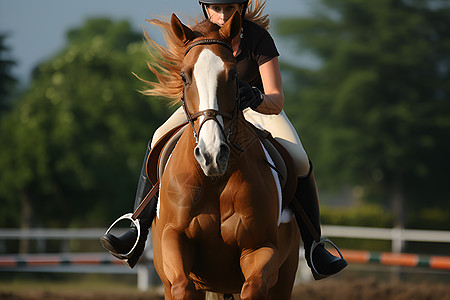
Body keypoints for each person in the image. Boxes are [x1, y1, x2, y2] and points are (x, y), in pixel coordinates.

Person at [101, 0, 347, 279]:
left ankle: (314, 246)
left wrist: (255, 97)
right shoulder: (196, 38)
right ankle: (137, 229)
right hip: (206, 108)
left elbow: (276, 99)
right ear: (206, 8)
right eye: (215, 8)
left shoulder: (258, 39)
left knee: (299, 159)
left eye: (228, 9)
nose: (221, 16)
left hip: (255, 110)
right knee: (158, 138)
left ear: (240, 8)